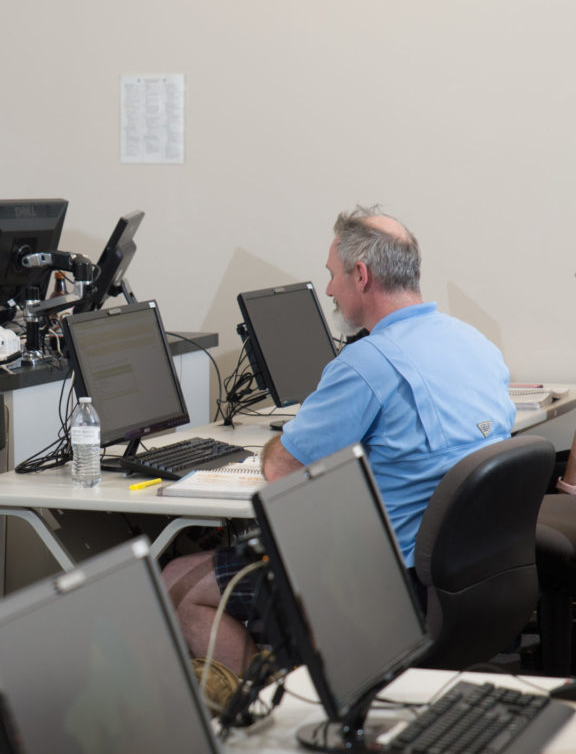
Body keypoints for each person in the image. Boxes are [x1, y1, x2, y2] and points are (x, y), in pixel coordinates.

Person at [163, 206, 516, 687]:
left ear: (362, 275)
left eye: (332, 275)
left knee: (176, 582)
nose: (329, 289)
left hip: (384, 585)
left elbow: (283, 470)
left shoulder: (368, 363)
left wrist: (275, 446)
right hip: (471, 575)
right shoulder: (474, 343)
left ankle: (280, 713)